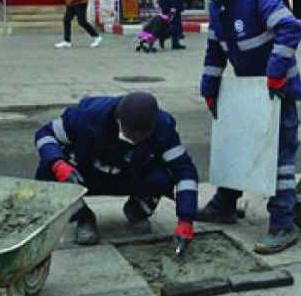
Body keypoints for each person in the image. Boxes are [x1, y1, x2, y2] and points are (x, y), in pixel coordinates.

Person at [194, 0, 301, 254]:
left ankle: (283, 224)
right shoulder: (217, 2)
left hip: (277, 89)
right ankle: (225, 204)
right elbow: (215, 49)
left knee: (280, 158)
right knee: (237, 145)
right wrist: (209, 87)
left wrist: (276, 72)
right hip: (248, 90)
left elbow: (290, 28)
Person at [34, 92, 198, 251]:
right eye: (131, 134)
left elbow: (184, 171)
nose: (135, 139)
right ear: (118, 120)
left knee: (164, 177)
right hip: (86, 175)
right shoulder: (87, 116)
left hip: (130, 176)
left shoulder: (163, 127)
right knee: (47, 171)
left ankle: (137, 210)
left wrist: (186, 220)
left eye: (141, 136)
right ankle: (83, 217)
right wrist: (58, 164)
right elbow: (45, 134)